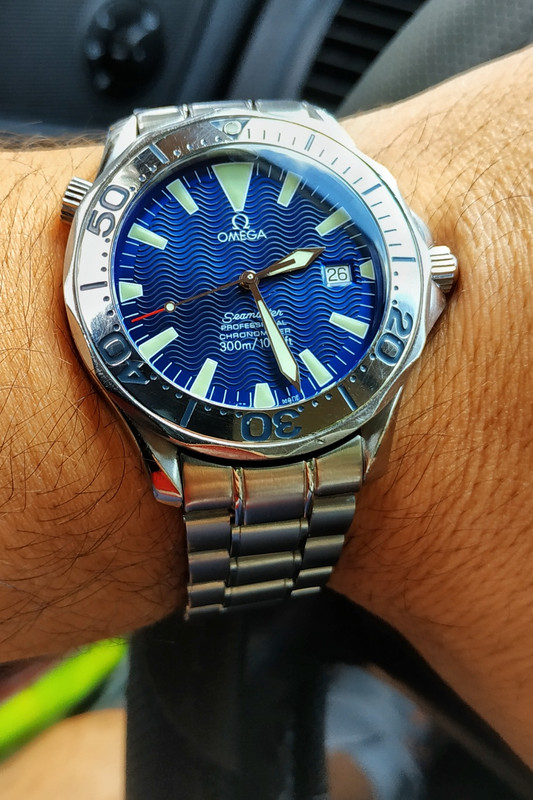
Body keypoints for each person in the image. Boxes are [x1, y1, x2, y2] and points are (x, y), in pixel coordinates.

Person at [0, 44, 531, 774]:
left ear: (430, 273)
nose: (249, 278)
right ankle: (370, 746)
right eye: (250, 277)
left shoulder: (391, 269)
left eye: (260, 273)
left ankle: (361, 744)